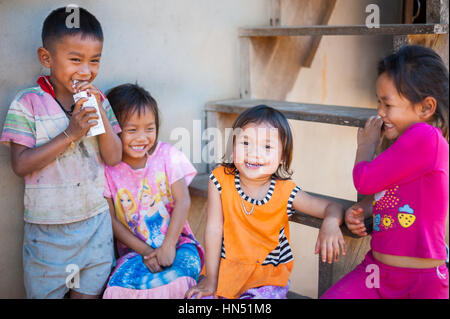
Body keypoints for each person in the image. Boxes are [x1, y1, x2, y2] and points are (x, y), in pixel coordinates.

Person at [0, 7, 122, 298]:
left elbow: (114, 157)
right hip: (48, 232)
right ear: (46, 58)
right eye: (75, 59)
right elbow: (21, 165)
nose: (86, 70)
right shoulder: (27, 102)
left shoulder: (98, 99)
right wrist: (70, 134)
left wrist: (99, 110)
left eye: (94, 60)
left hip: (96, 225)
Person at [322, 45, 449, 299]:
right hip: (377, 271)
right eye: (378, 101)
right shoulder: (406, 144)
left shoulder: (425, 137)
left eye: (387, 104)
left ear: (426, 108)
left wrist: (366, 145)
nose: (379, 112)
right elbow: (394, 192)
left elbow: (364, 180)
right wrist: (366, 209)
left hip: (422, 283)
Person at [185, 105, 346, 299]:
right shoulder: (219, 179)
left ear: (282, 158)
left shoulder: (285, 191)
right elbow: (213, 229)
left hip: (267, 279)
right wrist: (211, 277)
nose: (254, 153)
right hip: (226, 270)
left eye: (267, 147)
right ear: (233, 145)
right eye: (245, 143)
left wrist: (330, 222)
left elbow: (332, 207)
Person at [102, 84, 204, 299]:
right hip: (133, 254)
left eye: (149, 128)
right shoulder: (107, 170)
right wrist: (146, 252)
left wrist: (168, 246)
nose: (142, 138)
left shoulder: (168, 155)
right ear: (113, 130)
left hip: (178, 245)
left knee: (179, 281)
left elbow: (183, 200)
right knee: (118, 290)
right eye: (131, 130)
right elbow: (111, 221)